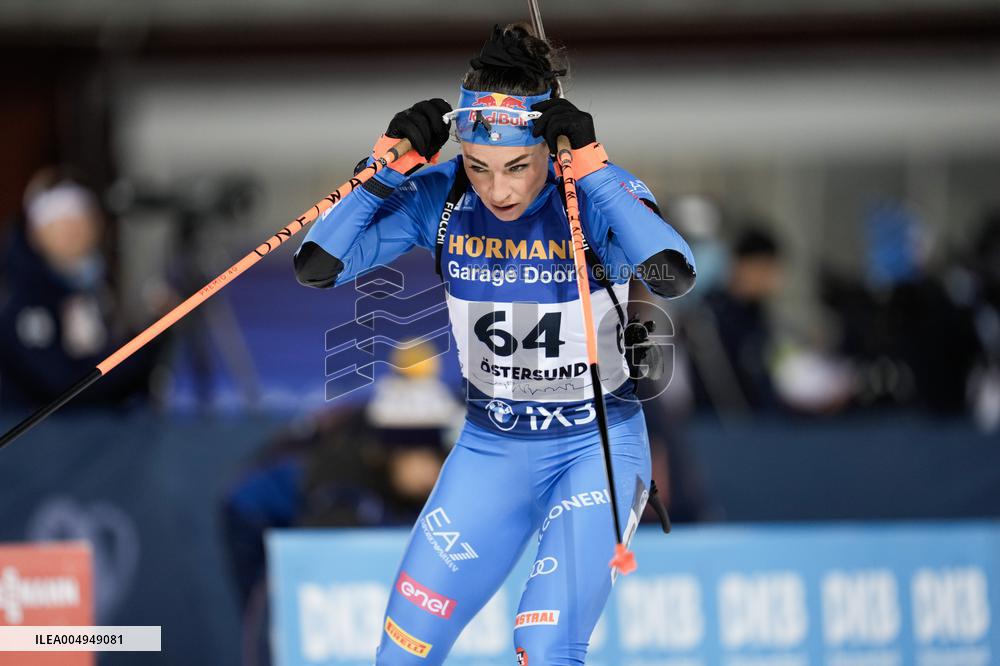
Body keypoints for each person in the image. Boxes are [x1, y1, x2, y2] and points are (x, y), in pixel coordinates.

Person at [294, 23, 695, 665]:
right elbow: (318, 264)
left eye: (517, 166)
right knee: (401, 653)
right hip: (492, 449)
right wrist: (382, 169)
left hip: (595, 451)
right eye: (480, 166)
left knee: (542, 646)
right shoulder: (447, 196)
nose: (498, 189)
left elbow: (672, 273)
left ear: (549, 146)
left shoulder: (589, 193)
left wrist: (589, 169)